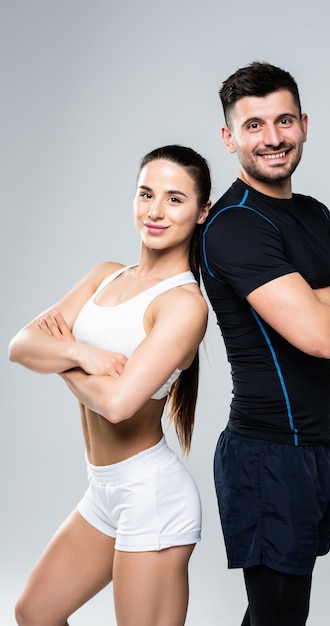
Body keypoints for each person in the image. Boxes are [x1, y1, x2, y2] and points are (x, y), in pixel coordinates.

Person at [201, 62, 330, 625]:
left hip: (312, 446)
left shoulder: (314, 214)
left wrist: (328, 301)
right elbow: (321, 338)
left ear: (304, 125)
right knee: (278, 615)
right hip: (266, 450)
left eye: (284, 121)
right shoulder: (236, 225)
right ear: (229, 137)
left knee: (282, 614)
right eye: (255, 125)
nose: (273, 138)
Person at [8, 144, 211, 626]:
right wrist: (84, 354)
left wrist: (59, 359)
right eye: (146, 194)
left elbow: (119, 406)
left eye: (174, 199)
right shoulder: (105, 275)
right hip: (104, 490)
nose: (155, 211)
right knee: (35, 613)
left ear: (202, 212)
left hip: (151, 495)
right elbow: (20, 345)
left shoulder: (184, 304)